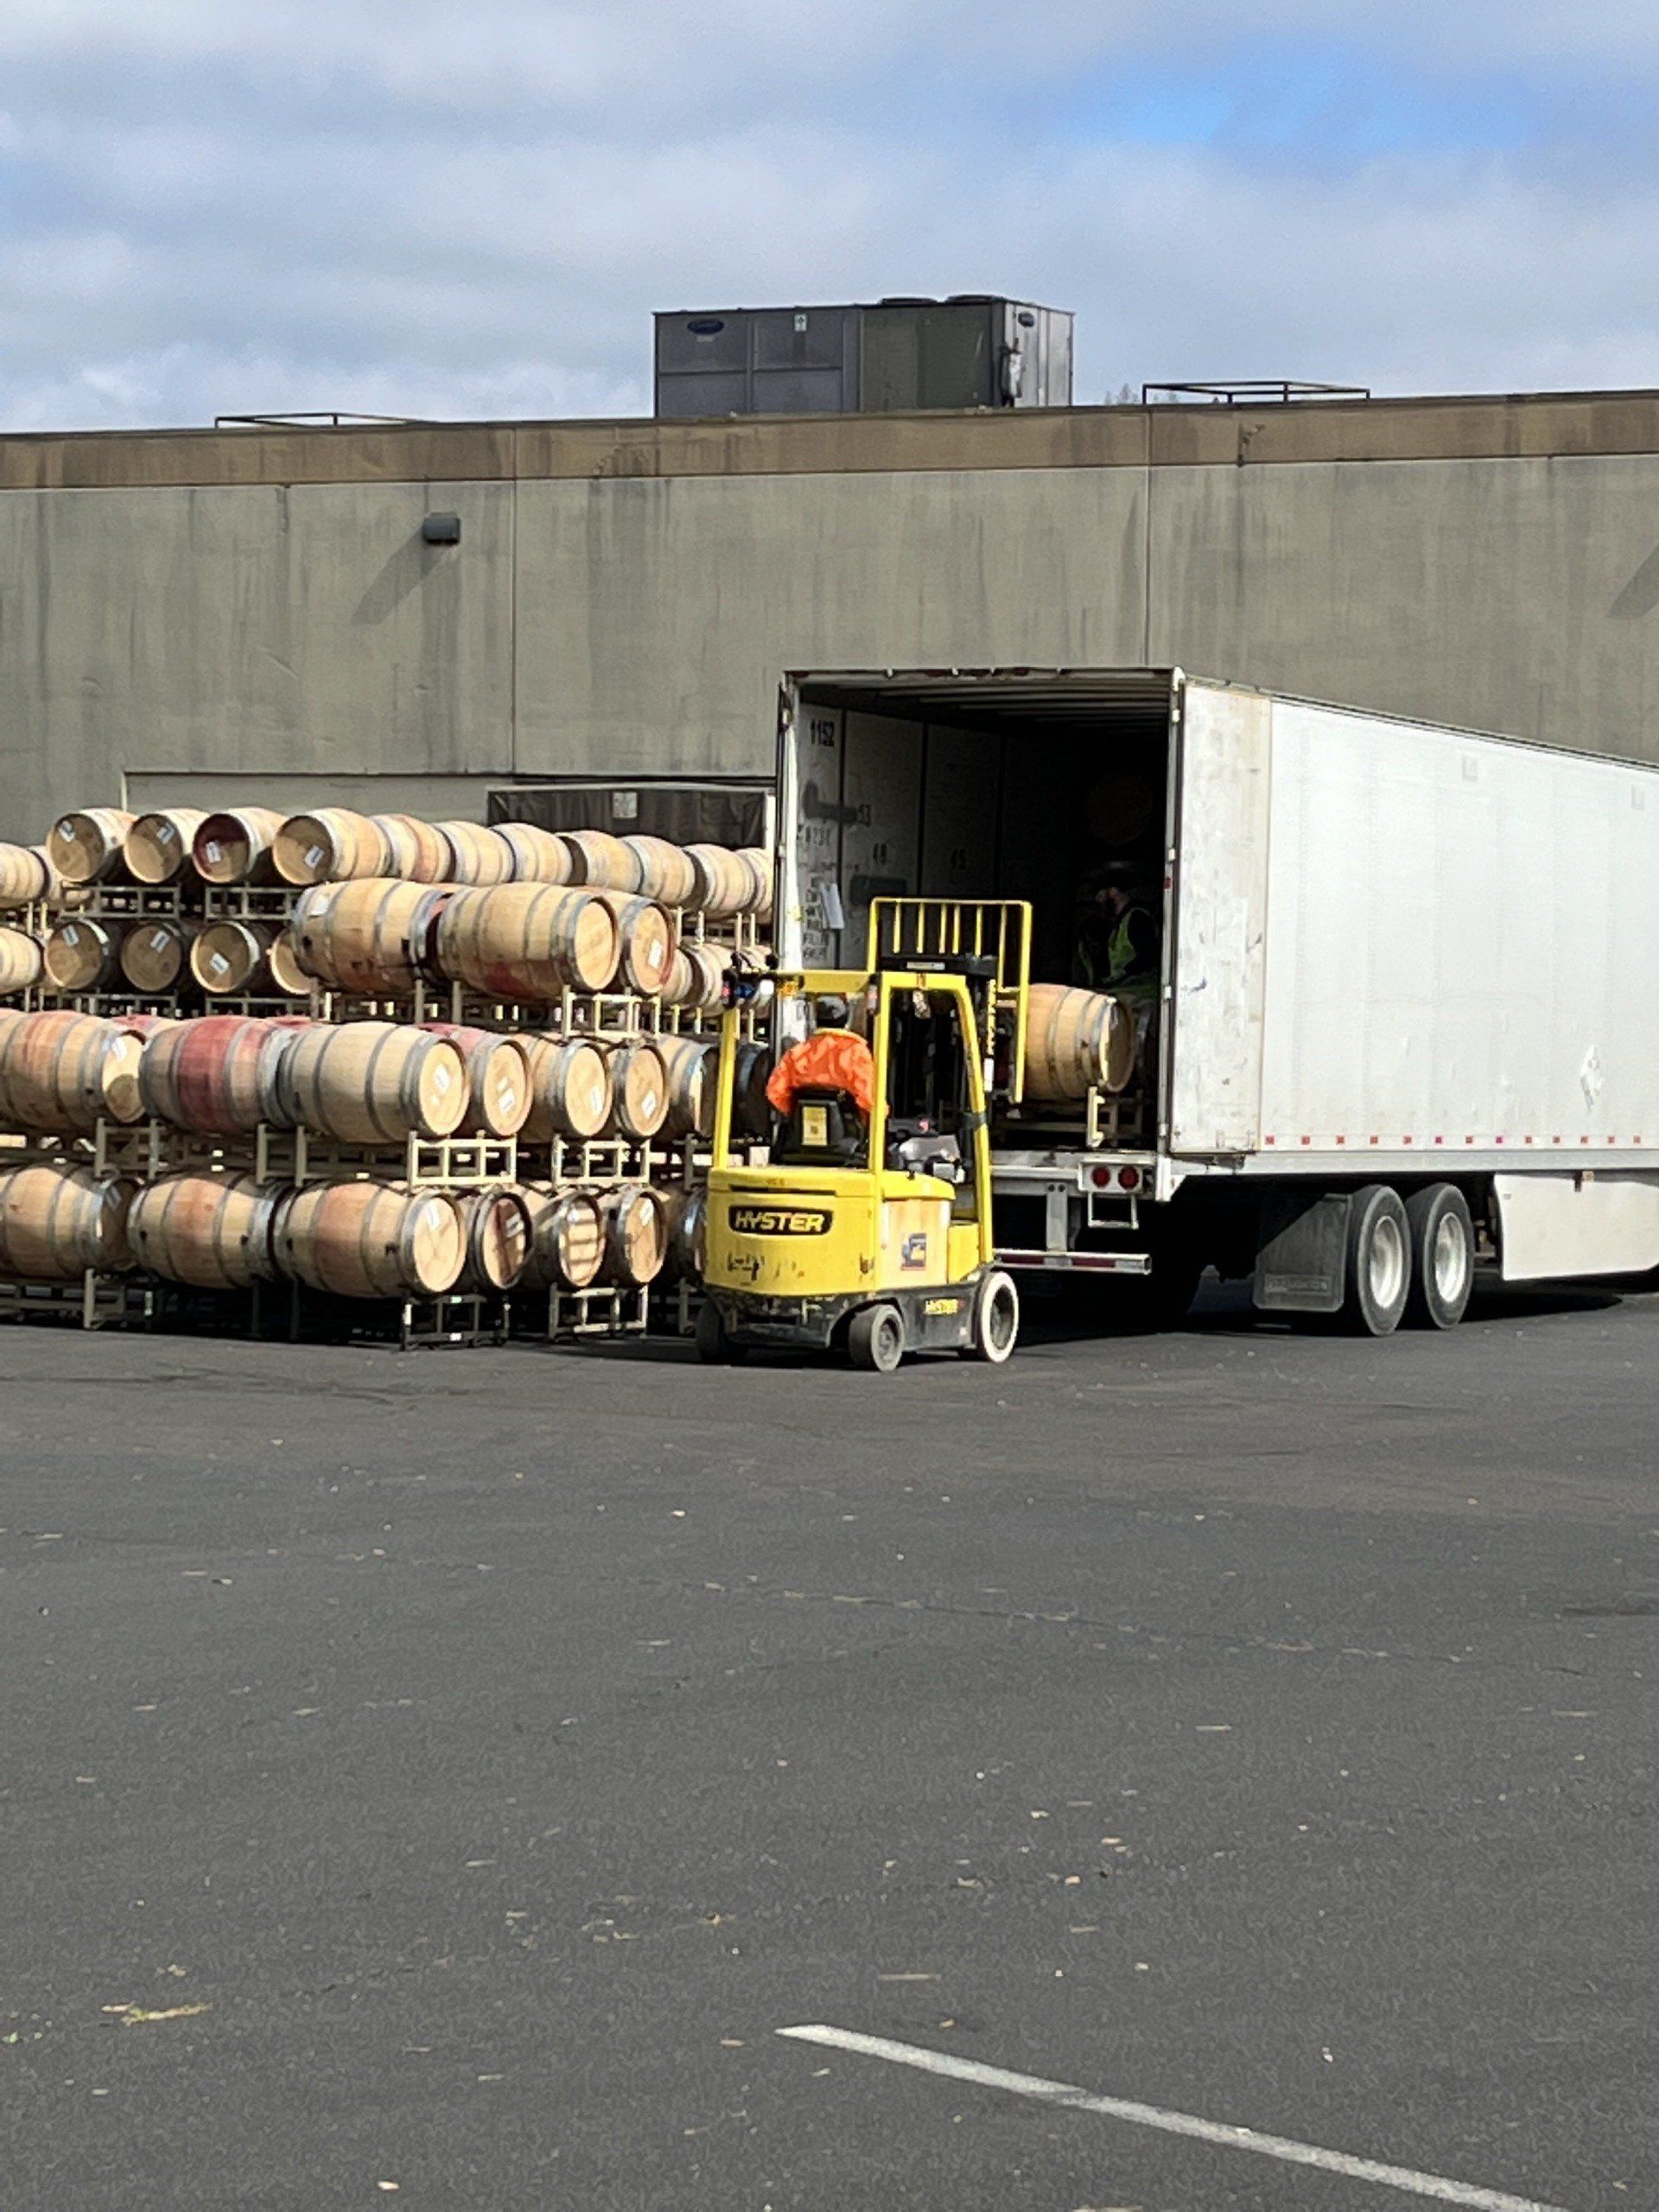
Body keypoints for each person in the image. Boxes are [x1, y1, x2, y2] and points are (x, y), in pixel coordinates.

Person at [765, 995, 876, 1121]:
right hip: (848, 1133)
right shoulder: (856, 1052)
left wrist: (795, 1113)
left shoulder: (797, 1053)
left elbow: (775, 1092)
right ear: (845, 1020)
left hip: (801, 1131)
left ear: (817, 1019)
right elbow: (868, 1098)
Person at [1076, 862, 1158, 994]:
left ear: (1114, 891)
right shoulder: (1119, 923)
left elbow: (1147, 959)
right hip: (1126, 993)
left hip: (1139, 997)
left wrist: (1120, 976)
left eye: (1100, 895)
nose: (1098, 901)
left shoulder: (1137, 919)